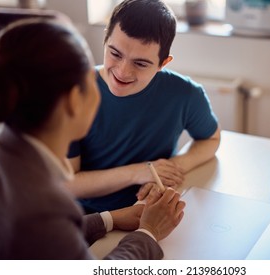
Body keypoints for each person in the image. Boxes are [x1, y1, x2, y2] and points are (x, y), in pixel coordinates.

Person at [0, 18, 185, 260]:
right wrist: (149, 232)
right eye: (94, 81)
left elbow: (43, 241)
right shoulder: (41, 208)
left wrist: (108, 219)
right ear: (75, 100)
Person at [67, 0, 221, 213]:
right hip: (90, 221)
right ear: (105, 40)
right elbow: (67, 184)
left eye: (140, 64)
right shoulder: (72, 92)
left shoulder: (186, 94)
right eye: (115, 53)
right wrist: (140, 172)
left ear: (163, 63)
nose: (123, 72)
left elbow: (211, 138)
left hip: (153, 211)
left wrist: (169, 170)